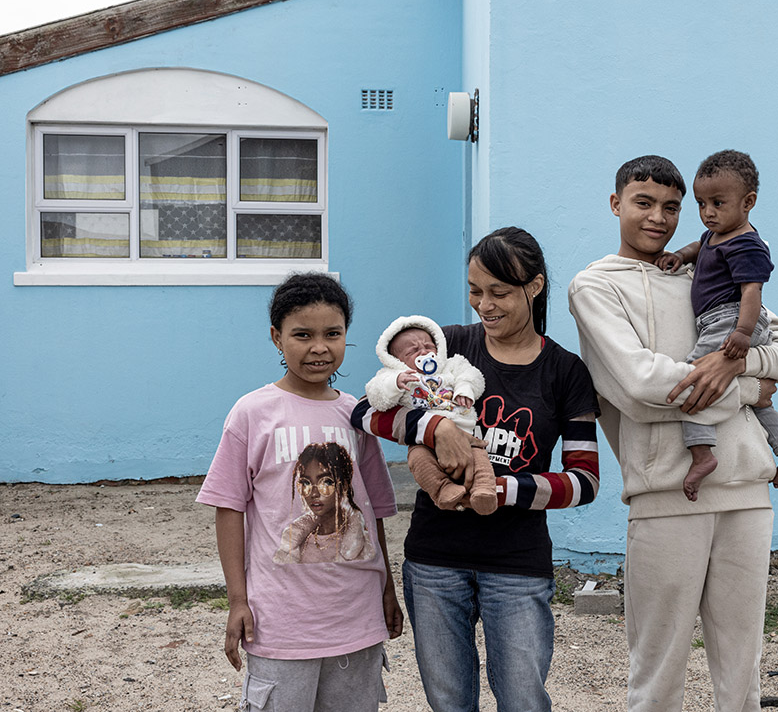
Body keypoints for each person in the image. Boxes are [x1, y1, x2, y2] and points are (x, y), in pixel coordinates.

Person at [567, 155, 778, 712]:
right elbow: (641, 387)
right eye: (643, 203)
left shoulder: (711, 263)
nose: (658, 217)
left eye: (671, 207)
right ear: (615, 204)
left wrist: (739, 365)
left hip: (748, 489)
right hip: (665, 496)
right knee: (658, 670)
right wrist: (751, 388)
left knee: (742, 666)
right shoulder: (595, 286)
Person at [351, 226, 601, 712]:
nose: (483, 305)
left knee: (523, 701)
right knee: (449, 703)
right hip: (434, 560)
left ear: (535, 286)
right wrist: (432, 429)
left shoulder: (565, 372)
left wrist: (501, 489)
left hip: (518, 564)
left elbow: (584, 481)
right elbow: (363, 410)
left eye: (498, 292)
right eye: (474, 291)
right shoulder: (450, 346)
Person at [196, 272, 404, 712]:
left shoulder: (358, 416)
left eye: (333, 334)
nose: (319, 347)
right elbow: (229, 508)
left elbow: (374, 512)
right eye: (302, 335)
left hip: (355, 618)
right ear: (276, 337)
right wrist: (237, 600)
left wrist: (388, 590)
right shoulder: (252, 413)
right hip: (280, 623)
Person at [654, 149, 778, 501]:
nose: (708, 213)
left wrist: (742, 334)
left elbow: (752, 292)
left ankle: (702, 455)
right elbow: (697, 246)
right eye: (702, 204)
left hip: (730, 319)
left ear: (748, 202)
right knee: (760, 401)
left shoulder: (747, 244)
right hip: (720, 321)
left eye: (718, 203)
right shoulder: (715, 235)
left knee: (694, 378)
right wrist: (680, 256)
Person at [364, 315, 496, 514]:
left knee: (479, 455)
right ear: (396, 360)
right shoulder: (394, 375)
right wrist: (394, 384)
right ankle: (442, 490)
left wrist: (465, 389)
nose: (424, 352)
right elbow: (375, 395)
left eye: (429, 346)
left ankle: (484, 490)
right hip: (423, 441)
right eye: (413, 350)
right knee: (418, 460)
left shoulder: (451, 365)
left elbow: (472, 375)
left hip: (464, 433)